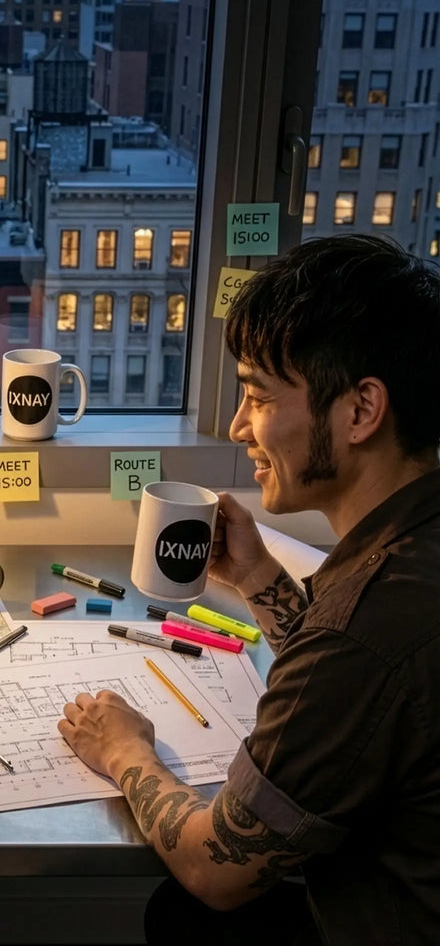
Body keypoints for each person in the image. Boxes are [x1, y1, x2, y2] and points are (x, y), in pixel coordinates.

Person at [58, 233, 440, 945]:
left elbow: (215, 867)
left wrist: (124, 751)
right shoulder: (411, 547)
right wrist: (260, 579)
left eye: (258, 396)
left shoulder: (367, 626)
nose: (238, 426)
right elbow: (361, 702)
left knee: (185, 912)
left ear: (361, 412)